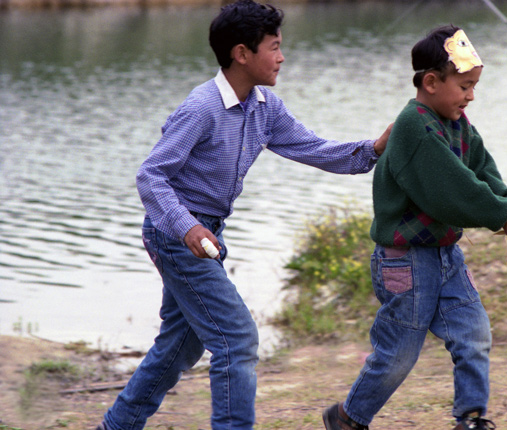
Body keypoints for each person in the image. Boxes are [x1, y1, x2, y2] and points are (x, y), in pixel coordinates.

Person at [96, 1, 391, 429]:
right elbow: (151, 177)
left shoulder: (264, 107)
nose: (281, 56)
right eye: (273, 47)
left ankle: (115, 426)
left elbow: (314, 149)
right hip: (176, 233)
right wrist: (189, 228)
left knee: (180, 346)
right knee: (236, 340)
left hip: (206, 234)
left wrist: (374, 149)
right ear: (241, 53)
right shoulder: (201, 108)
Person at [321, 25, 507, 430]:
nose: (471, 95)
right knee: (399, 352)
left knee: (473, 334)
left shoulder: (456, 122)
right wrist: (498, 213)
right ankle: (348, 418)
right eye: (465, 85)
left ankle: (470, 418)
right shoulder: (415, 127)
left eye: (474, 86)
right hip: (406, 263)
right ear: (431, 82)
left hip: (446, 256)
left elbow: (479, 167)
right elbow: (449, 189)